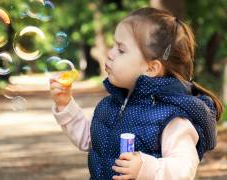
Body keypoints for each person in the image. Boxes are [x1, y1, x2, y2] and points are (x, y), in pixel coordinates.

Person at [49, 7, 223, 180]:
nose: (109, 54)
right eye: (113, 45)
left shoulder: (171, 116)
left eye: (121, 50)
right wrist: (65, 104)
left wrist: (146, 168)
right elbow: (92, 140)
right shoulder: (110, 105)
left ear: (151, 68)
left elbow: (184, 168)